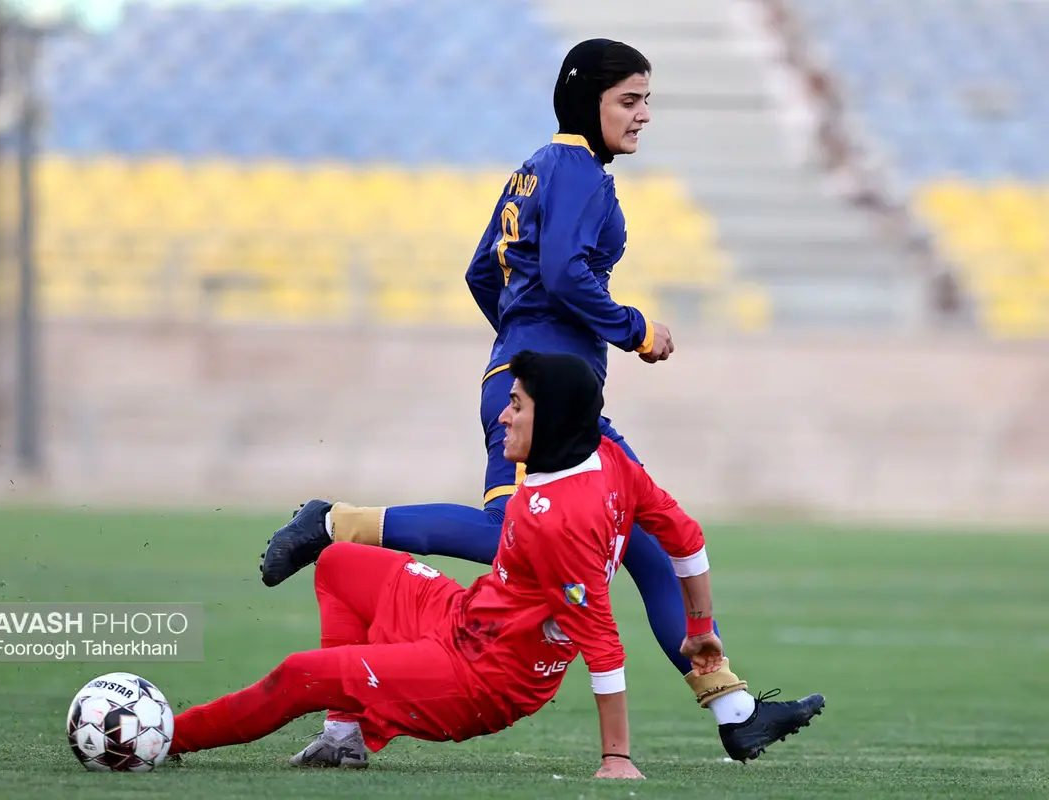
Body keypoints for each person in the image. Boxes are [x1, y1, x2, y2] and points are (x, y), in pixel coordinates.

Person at [260, 39, 824, 762]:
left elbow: (480, 274)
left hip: (557, 391)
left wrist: (523, 345)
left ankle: (732, 707)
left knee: (647, 540)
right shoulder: (581, 174)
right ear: (586, 100)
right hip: (545, 392)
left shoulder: (536, 168)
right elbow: (561, 273)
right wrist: (632, 329)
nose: (645, 114)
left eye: (648, 98)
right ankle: (335, 521)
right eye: (629, 99)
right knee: (508, 533)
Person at [177, 352, 798, 777]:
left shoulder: (556, 514)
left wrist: (616, 756)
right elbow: (686, 538)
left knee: (299, 674)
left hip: (480, 676)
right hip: (465, 616)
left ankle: (166, 737)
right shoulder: (608, 456)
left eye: (517, 405)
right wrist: (700, 626)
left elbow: (602, 640)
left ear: (549, 419)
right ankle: (346, 736)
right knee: (339, 562)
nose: (503, 415)